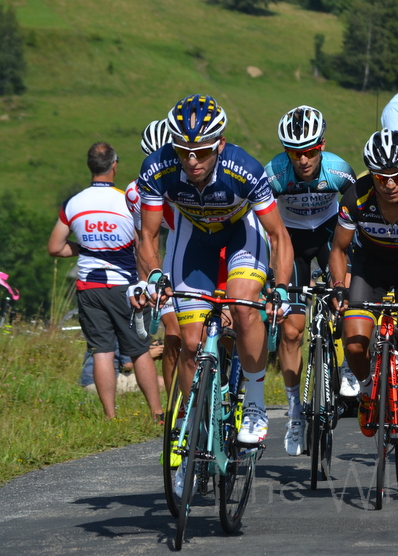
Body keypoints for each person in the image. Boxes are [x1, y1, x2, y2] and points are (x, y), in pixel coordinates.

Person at [130, 94, 294, 460]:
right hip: (194, 239)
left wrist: (280, 287)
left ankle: (253, 403)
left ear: (219, 144)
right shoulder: (158, 169)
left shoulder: (244, 169)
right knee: (189, 342)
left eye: (202, 152)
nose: (191, 161)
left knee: (244, 308)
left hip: (240, 234)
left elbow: (279, 235)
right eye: (184, 151)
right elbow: (149, 235)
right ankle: (197, 421)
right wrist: (154, 274)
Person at [329, 129, 398, 456]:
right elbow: (339, 249)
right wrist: (339, 287)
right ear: (372, 174)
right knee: (353, 343)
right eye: (381, 178)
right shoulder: (355, 198)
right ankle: (367, 392)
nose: (390, 184)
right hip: (370, 267)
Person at [264, 105, 357, 455]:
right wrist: (273, 276)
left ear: (322, 145)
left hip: (330, 235)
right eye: (294, 152)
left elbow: (357, 217)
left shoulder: (338, 171)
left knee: (346, 296)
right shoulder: (273, 173)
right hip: (292, 240)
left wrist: (349, 269)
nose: (303, 160)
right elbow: (265, 230)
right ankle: (295, 411)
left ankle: (347, 363)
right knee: (291, 330)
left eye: (310, 151)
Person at [48, 142, 163, 420]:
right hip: (125, 286)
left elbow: (55, 247)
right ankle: (157, 412)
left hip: (89, 287)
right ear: (115, 165)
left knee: (101, 351)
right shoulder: (127, 201)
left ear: (91, 167)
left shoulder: (74, 204)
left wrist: (84, 249)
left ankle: (110, 417)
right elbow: (143, 246)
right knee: (138, 351)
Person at [125, 118, 181, 397]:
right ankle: (177, 413)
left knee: (228, 321)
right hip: (174, 249)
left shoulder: (193, 177)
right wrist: (143, 283)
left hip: (208, 242)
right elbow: (145, 241)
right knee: (174, 335)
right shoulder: (137, 192)